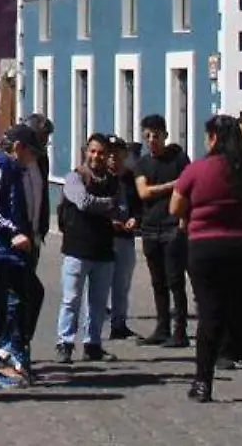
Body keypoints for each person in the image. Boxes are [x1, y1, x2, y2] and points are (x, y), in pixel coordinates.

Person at [170, 115, 242, 404]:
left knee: (210, 316)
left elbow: (175, 207)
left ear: (213, 138)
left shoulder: (197, 170)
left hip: (207, 249)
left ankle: (203, 383)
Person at [0, 124, 46, 385]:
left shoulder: (14, 169)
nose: (35, 159)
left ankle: (13, 349)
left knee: (30, 294)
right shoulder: (2, 166)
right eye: (32, 153)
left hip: (9, 252)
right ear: (19, 148)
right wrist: (13, 231)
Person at [55, 133, 124, 363]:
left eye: (101, 152)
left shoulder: (114, 181)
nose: (96, 156)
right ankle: (65, 342)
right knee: (71, 299)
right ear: (86, 151)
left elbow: (122, 208)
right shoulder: (75, 177)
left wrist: (115, 209)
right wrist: (109, 205)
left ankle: (93, 343)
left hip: (103, 248)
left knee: (98, 303)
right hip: (76, 248)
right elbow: (83, 202)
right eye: (93, 151)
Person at [134, 114, 191, 347]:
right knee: (157, 280)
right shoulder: (143, 163)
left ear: (165, 135)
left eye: (155, 135)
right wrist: (171, 185)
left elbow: (187, 189)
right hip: (150, 227)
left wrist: (183, 223)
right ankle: (162, 326)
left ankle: (180, 330)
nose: (151, 140)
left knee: (175, 280)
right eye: (147, 136)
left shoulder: (179, 159)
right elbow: (143, 193)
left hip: (172, 226)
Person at [108, 136, 142, 341]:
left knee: (123, 283)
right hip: (104, 237)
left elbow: (139, 206)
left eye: (117, 153)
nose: (113, 157)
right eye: (110, 153)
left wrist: (135, 219)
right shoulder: (99, 176)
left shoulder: (130, 178)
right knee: (98, 285)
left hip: (125, 237)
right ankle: (90, 327)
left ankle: (119, 323)